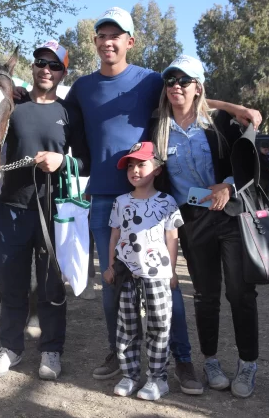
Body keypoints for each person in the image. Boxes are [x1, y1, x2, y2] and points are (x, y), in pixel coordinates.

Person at [60, 7, 261, 385]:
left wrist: (233, 107)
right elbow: (60, 117)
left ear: (129, 41)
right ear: (95, 40)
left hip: (154, 200)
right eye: (102, 34)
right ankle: (121, 352)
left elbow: (189, 99)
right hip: (106, 198)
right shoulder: (83, 87)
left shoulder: (149, 80)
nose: (108, 41)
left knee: (167, 281)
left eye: (116, 35)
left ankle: (183, 357)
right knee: (115, 283)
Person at [150, 54, 259, 399]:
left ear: (198, 87)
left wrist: (227, 184)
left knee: (240, 293)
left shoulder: (219, 122)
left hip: (229, 215)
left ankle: (248, 363)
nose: (176, 86)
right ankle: (211, 361)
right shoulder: (157, 125)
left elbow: (249, 163)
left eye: (184, 81)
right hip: (192, 220)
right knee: (206, 295)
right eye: (170, 81)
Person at [0, 41, 90, 381]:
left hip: (52, 211)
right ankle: (11, 348)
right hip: (11, 208)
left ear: (63, 72)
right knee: (11, 284)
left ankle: (51, 351)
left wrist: (63, 160)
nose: (46, 69)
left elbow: (85, 159)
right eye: (41, 62)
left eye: (54, 65)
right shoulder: (13, 104)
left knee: (50, 287)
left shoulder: (68, 112)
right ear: (32, 67)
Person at [103, 142, 182, 401]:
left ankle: (158, 378)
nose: (135, 170)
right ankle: (130, 375)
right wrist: (110, 265)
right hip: (127, 275)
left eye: (142, 164)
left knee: (159, 325)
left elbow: (172, 237)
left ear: (157, 169)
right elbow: (115, 233)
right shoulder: (120, 201)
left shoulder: (167, 202)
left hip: (157, 275)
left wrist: (171, 271)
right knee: (127, 327)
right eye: (131, 166)